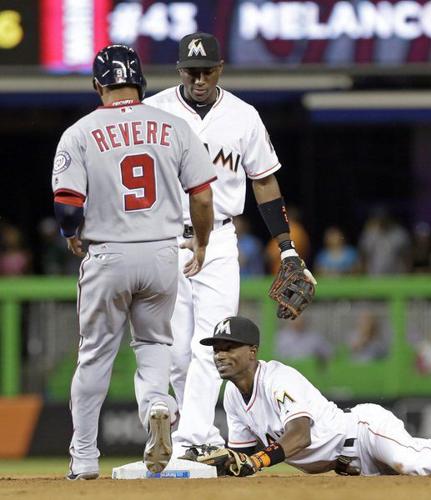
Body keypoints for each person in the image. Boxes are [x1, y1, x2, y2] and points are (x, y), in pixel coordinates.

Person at [144, 32, 316, 453]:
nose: (199, 78)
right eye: (191, 70)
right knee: (177, 352)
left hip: (219, 239)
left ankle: (191, 438)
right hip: (165, 237)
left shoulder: (243, 115)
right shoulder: (155, 110)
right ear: (180, 70)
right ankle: (197, 433)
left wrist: (287, 247)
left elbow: (265, 181)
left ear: (220, 69)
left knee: (212, 342)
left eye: (207, 70)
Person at [51, 44, 215, 479]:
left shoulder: (80, 132)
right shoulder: (175, 125)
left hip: (108, 252)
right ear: (139, 81)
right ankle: (157, 405)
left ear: (97, 84)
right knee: (154, 343)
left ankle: (85, 459)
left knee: (95, 356)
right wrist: (200, 243)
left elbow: (67, 206)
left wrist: (71, 235)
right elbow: (201, 195)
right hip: (162, 252)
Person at [199, 316, 431, 476]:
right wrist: (217, 464)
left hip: (364, 433)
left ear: (252, 352)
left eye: (228, 347)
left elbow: (300, 436)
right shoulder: (232, 395)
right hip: (349, 466)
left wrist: (256, 462)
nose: (220, 355)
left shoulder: (278, 378)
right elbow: (243, 457)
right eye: (216, 349)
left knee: (414, 464)